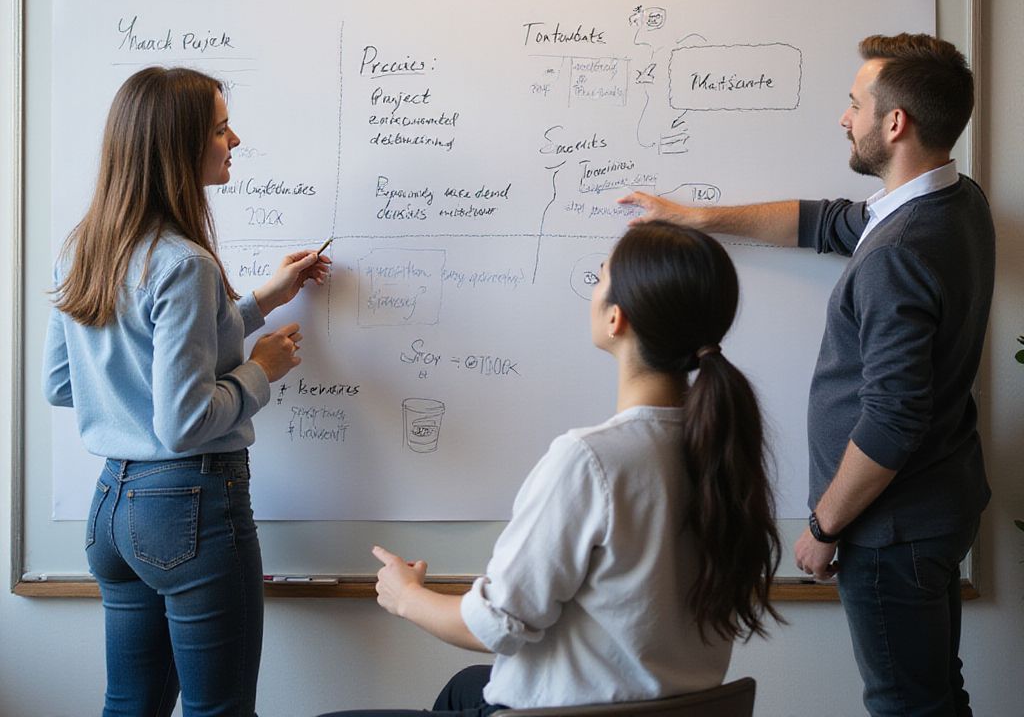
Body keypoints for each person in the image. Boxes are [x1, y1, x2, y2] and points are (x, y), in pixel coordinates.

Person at [621, 33, 993, 717]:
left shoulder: (898, 251)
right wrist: (695, 218)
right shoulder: (955, 202)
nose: (843, 118)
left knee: (906, 706)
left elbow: (892, 420)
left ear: (895, 123)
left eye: (854, 104)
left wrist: (823, 529)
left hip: (889, 531)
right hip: (938, 505)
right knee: (937, 697)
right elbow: (826, 223)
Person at [317, 221, 781, 717]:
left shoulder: (592, 459)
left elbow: (495, 627)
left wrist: (406, 596)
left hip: (577, 711)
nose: (593, 290)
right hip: (668, 705)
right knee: (465, 688)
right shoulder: (720, 449)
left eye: (599, 277)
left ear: (616, 319)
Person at [43, 66, 330, 717]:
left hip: (112, 508)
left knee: (131, 705)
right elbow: (183, 421)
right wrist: (260, 369)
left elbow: (63, 383)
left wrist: (261, 301)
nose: (236, 140)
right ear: (180, 146)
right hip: (189, 510)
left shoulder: (82, 250)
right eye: (222, 129)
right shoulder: (186, 263)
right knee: (217, 710)